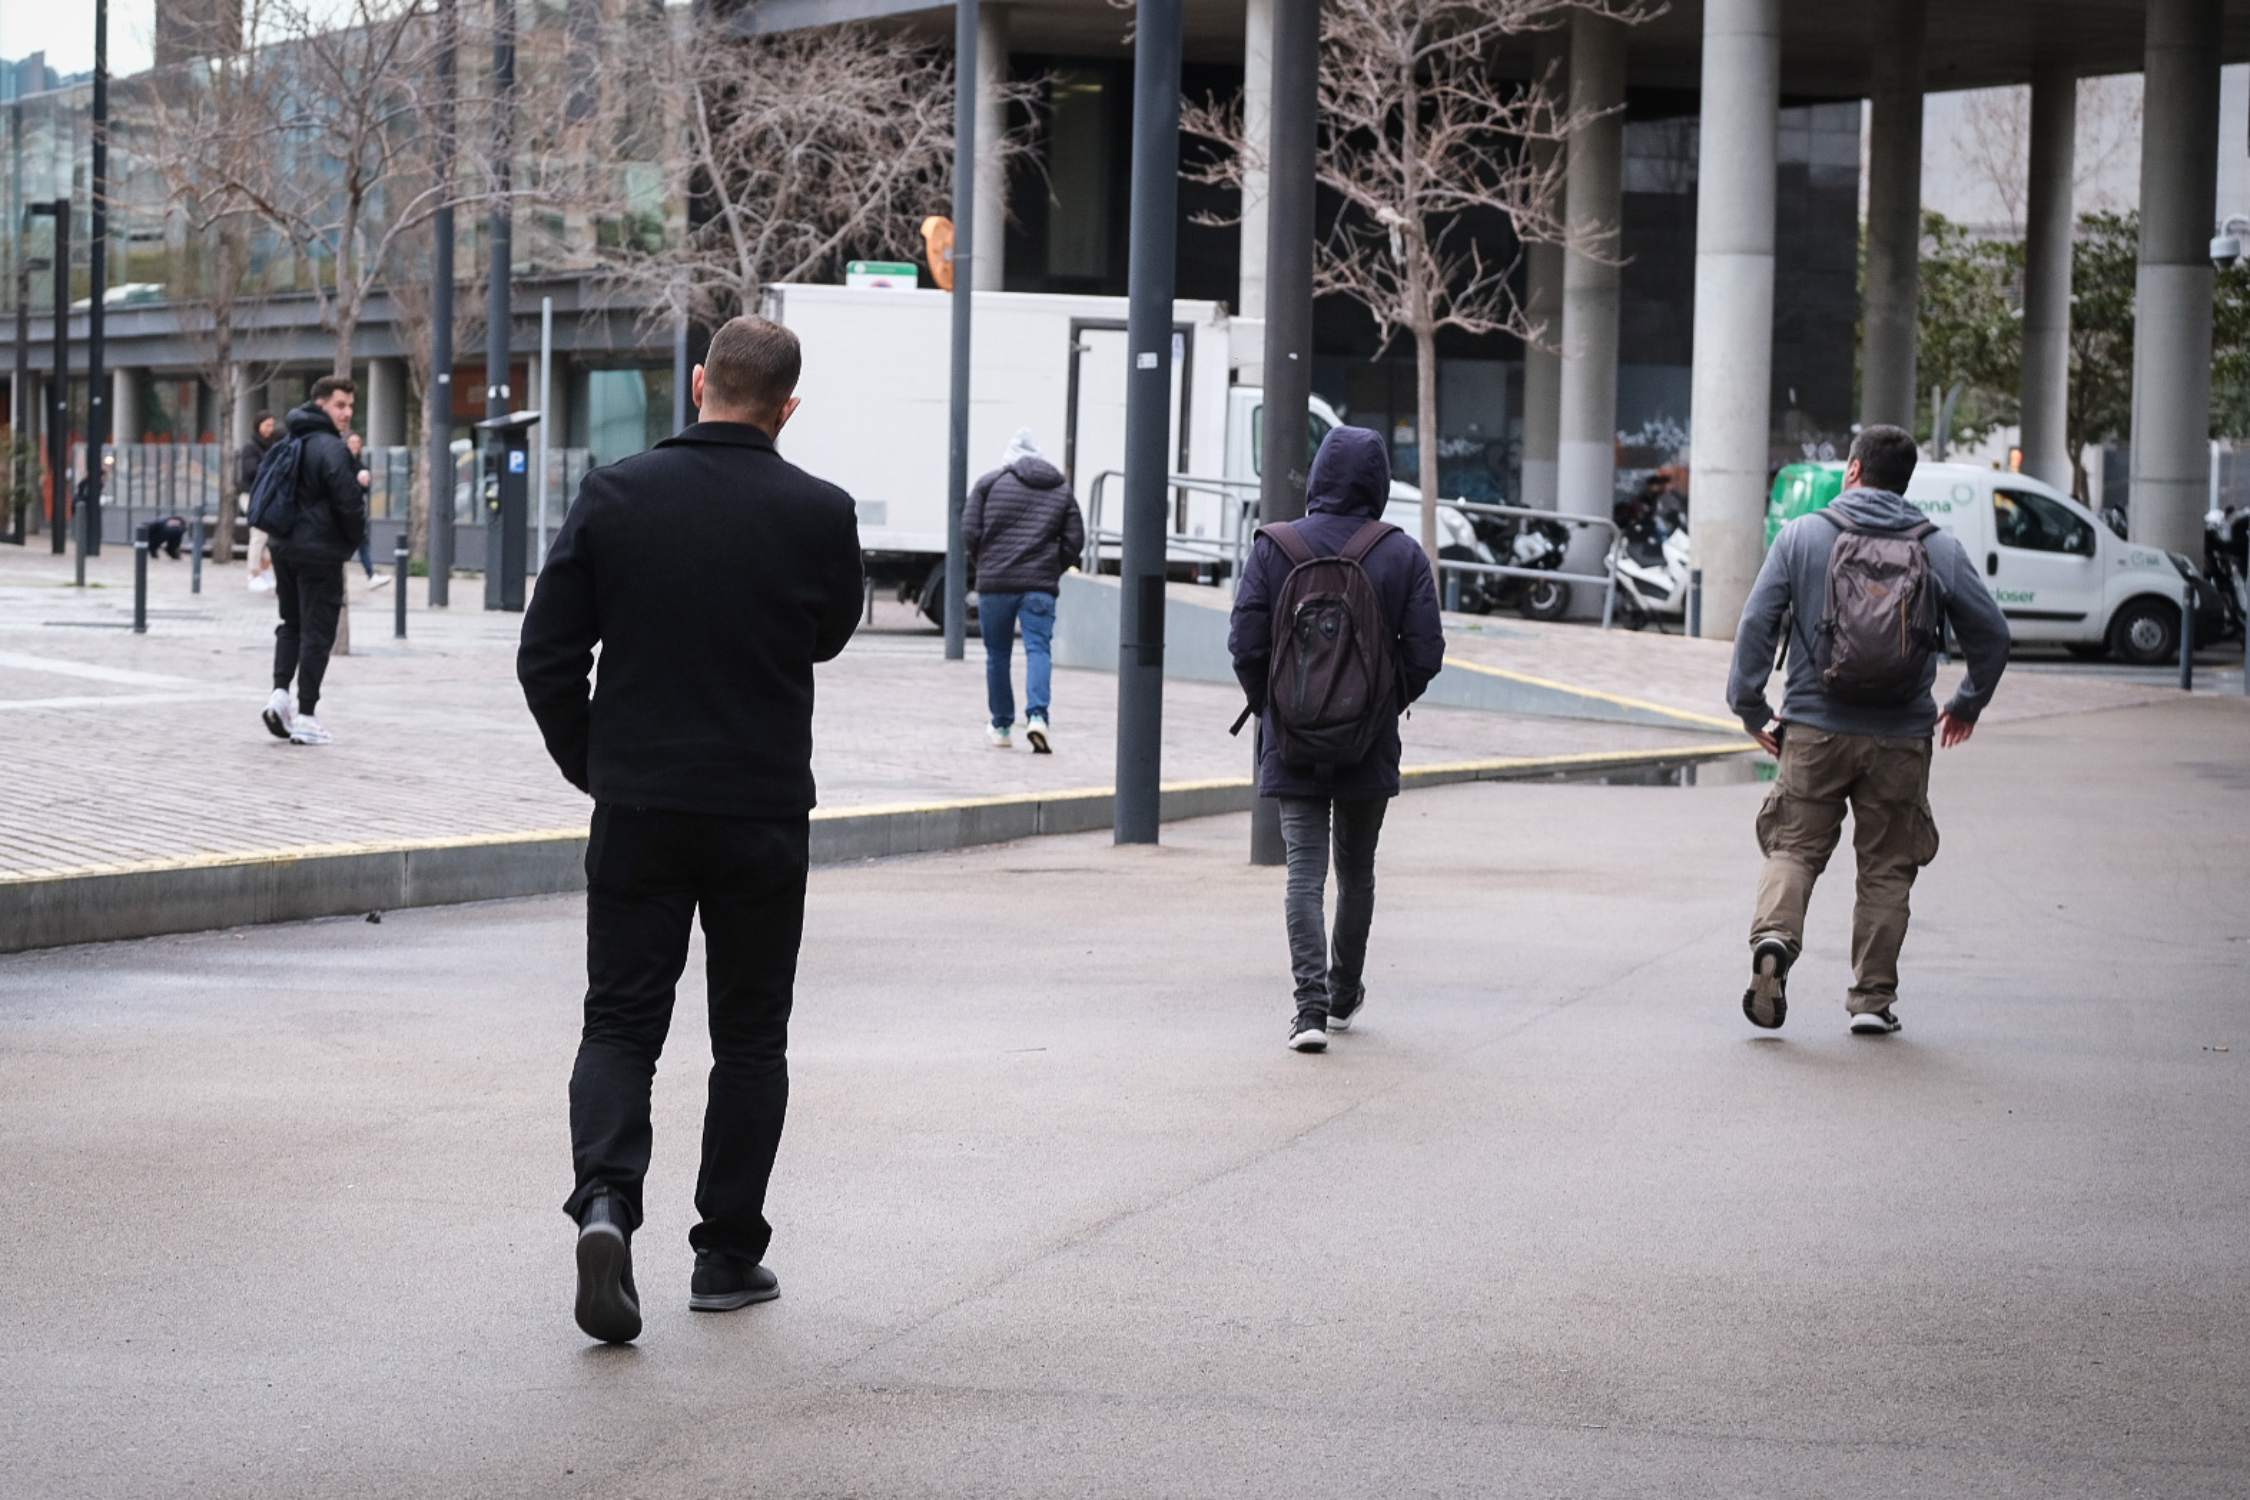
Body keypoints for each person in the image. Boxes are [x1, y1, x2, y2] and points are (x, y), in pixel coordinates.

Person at [518, 315, 864, 1346]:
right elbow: (831, 635)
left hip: (641, 807)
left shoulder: (617, 493)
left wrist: (598, 764)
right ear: (786, 407)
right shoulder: (819, 510)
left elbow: (545, 656)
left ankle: (607, 1206)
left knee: (622, 1021)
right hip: (760, 810)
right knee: (749, 1035)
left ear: (701, 381)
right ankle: (724, 1256)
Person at [1726, 423, 2010, 1037]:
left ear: (1852, 470)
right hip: (1902, 736)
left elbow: (1756, 625)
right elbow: (1993, 635)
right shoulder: (1939, 548)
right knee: (1886, 867)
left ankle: (1774, 939)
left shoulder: (1803, 536)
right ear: (1906, 480)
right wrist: (1966, 703)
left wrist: (1751, 708)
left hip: (1813, 728)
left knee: (1794, 848)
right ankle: (1872, 1001)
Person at [1228, 426, 1445, 1054]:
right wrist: (1380, 704)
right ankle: (1344, 992)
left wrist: (1276, 707)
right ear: (1376, 482)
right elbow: (1427, 652)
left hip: (1291, 738)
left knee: (1303, 871)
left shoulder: (1274, 546)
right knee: (1356, 871)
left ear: (1318, 474)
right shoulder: (1400, 554)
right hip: (1368, 741)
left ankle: (1310, 1010)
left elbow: (1244, 644)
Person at [963, 429, 1084, 752]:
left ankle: (1002, 725)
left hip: (996, 583)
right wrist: (1051, 566)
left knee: (998, 654)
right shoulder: (1060, 489)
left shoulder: (989, 484)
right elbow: (1075, 540)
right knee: (1038, 650)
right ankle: (1038, 718)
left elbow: (969, 531)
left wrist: (985, 562)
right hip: (1039, 586)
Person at [261, 378, 366, 748]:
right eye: (340, 405)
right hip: (319, 551)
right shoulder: (331, 448)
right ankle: (306, 715)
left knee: (291, 622)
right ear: (321, 404)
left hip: (283, 546)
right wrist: (352, 540)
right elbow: (349, 503)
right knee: (319, 631)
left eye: (350, 405)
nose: (347, 412)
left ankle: (279, 696)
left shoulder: (292, 440)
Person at [344, 431, 389, 590]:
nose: (355, 445)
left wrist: (365, 484)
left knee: (362, 542)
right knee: (348, 544)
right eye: (352, 442)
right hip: (344, 511)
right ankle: (370, 575)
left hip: (356, 510)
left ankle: (371, 575)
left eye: (357, 442)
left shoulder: (361, 465)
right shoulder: (342, 462)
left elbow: (365, 490)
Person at [239, 412, 278, 592]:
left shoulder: (274, 445)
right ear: (258, 425)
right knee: (259, 533)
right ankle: (252, 573)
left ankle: (265, 571)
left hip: (267, 496)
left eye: (272, 425)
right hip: (250, 496)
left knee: (269, 535)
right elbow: (250, 471)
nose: (270, 429)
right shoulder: (250, 447)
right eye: (267, 425)